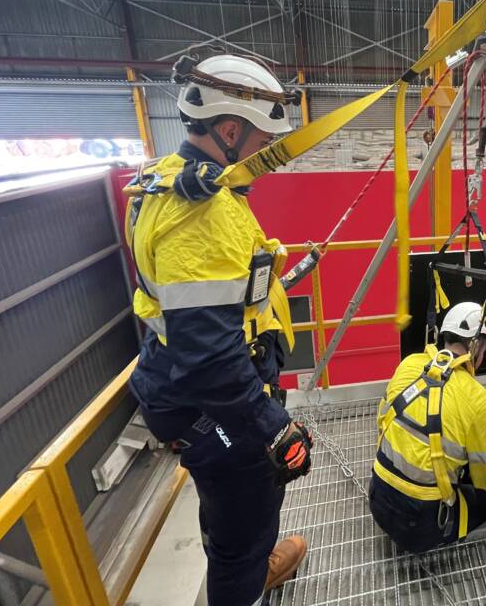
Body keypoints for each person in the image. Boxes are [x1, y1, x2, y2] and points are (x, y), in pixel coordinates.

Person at [125, 53, 314, 606]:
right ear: (230, 130)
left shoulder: (174, 181)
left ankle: (254, 567)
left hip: (198, 385)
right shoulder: (201, 216)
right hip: (215, 400)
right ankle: (244, 579)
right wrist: (272, 425)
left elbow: (216, 302)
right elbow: (209, 357)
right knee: (242, 515)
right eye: (261, 142)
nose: (266, 157)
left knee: (238, 505)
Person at [369, 302, 486, 552]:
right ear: (475, 347)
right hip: (419, 527)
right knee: (482, 499)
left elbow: (384, 422)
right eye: (484, 348)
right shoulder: (476, 399)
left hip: (378, 499)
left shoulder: (409, 364)